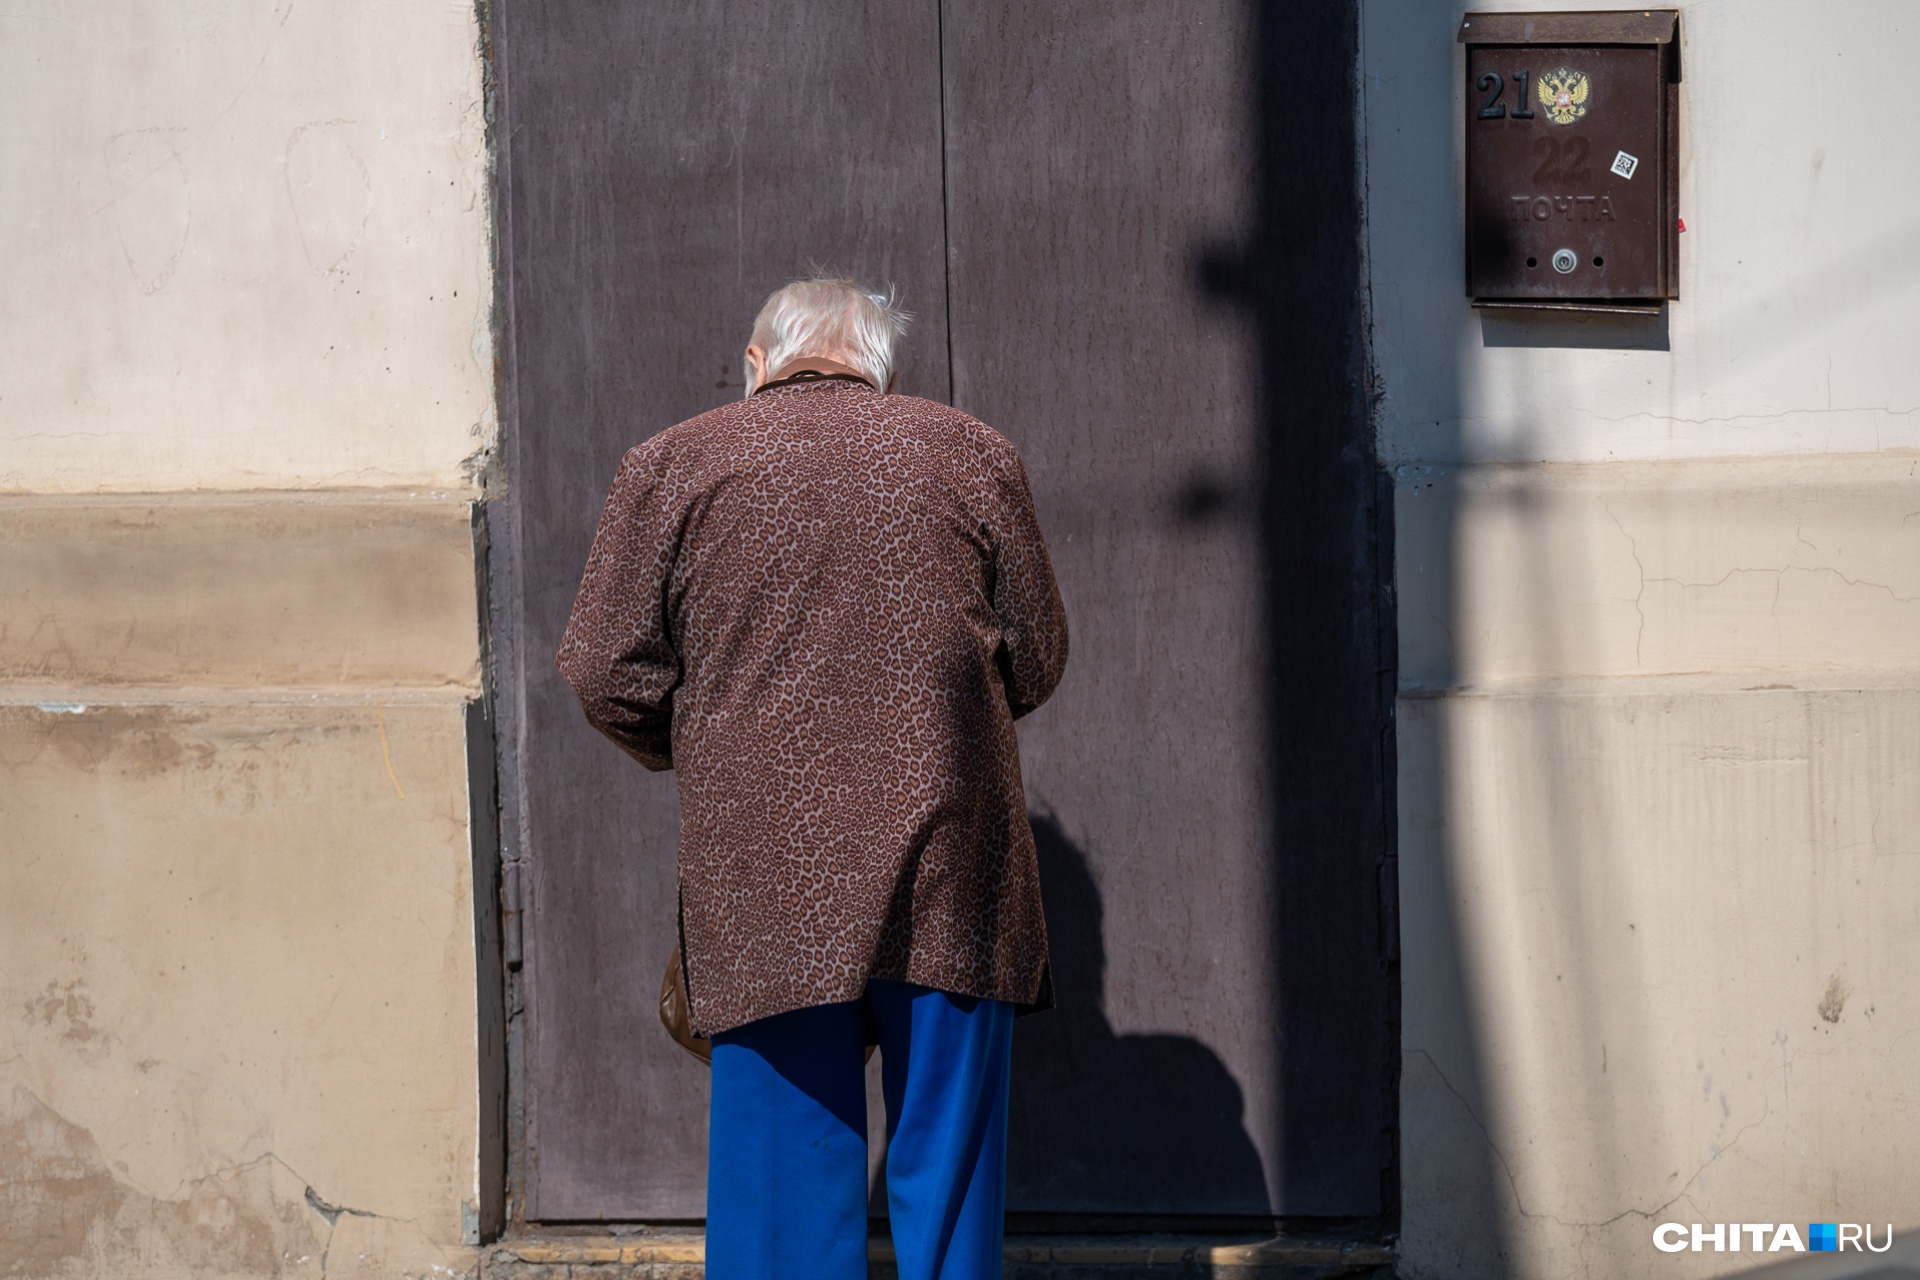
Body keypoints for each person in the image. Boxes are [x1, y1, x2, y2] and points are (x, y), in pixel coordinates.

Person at [556, 275, 1070, 1279]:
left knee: (782, 1190)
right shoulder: (970, 452)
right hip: (950, 864)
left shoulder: (672, 463)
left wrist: (705, 744)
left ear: (760, 364)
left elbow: (603, 667)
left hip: (765, 875)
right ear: (881, 371)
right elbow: (1039, 656)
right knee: (950, 1172)